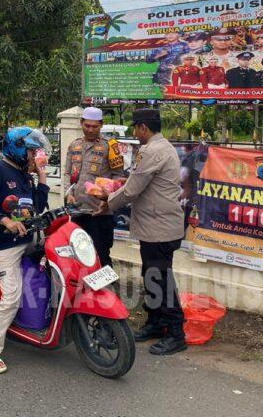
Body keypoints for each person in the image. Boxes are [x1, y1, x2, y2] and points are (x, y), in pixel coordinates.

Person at [92, 109, 187, 356]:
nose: (135, 133)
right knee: (151, 274)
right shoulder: (163, 147)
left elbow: (133, 189)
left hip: (160, 227)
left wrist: (107, 203)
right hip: (158, 226)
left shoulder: (152, 151)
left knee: (160, 279)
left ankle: (176, 334)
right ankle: (156, 324)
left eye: (136, 128)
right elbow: (136, 183)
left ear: (143, 128)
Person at [0, 127, 50, 374]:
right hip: (4, 245)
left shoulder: (25, 176)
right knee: (11, 297)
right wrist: (6, 221)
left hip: (26, 240)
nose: (34, 156)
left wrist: (42, 179)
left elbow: (36, 208)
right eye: (31, 152)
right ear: (17, 149)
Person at [63, 107, 124, 267]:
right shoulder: (73, 145)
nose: (90, 130)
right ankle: (84, 290)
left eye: (94, 126)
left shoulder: (110, 146)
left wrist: (108, 200)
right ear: (81, 123)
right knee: (79, 257)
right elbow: (67, 174)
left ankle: (106, 290)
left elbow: (119, 177)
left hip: (100, 213)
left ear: (101, 125)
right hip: (78, 211)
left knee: (101, 255)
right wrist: (68, 193)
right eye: (87, 125)